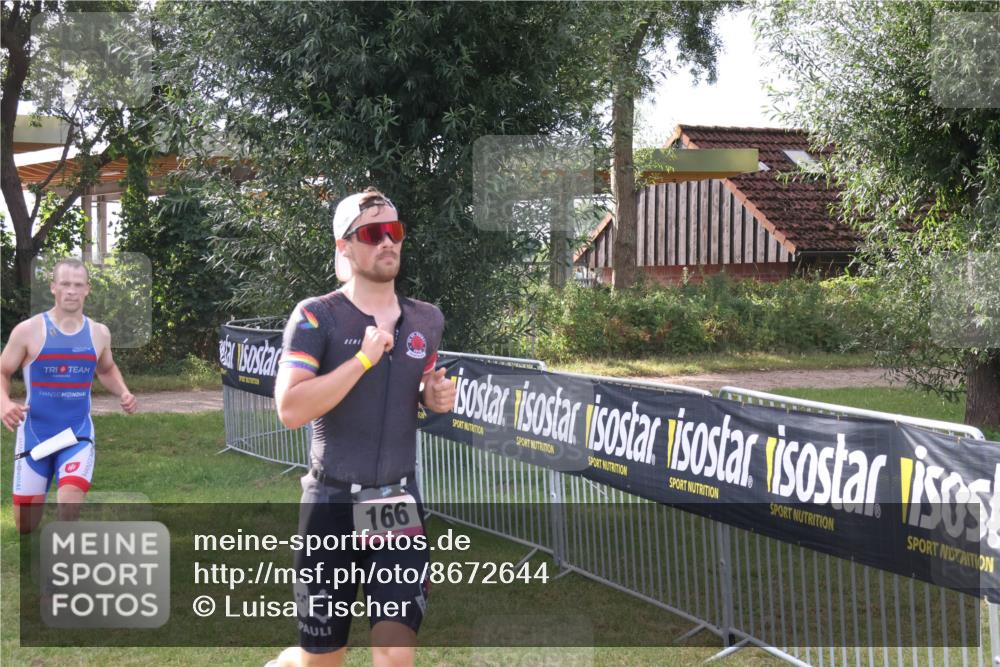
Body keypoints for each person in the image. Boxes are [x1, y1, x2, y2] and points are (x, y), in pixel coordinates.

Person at [270, 188, 456, 667]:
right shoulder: (317, 316)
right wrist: (362, 359)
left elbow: (412, 394)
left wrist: (430, 399)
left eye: (394, 231)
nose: (386, 242)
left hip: (395, 506)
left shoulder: (426, 319)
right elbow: (290, 408)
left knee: (395, 655)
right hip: (330, 504)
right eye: (372, 233)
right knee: (322, 659)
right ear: (344, 246)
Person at [0, 257, 137, 533]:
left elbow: (107, 369)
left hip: (77, 434)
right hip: (35, 435)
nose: (71, 291)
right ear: (53, 287)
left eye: (77, 285)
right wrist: (4, 403)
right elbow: (2, 371)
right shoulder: (28, 331)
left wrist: (123, 391)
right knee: (25, 527)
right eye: (65, 284)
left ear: (87, 289)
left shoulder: (99, 333)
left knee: (69, 503)